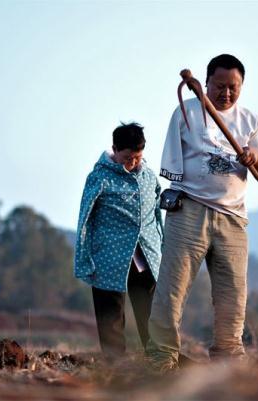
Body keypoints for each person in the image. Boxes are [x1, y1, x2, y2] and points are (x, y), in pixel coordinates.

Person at [147, 54, 258, 371]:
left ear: (242, 85)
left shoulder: (250, 121)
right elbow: (172, 165)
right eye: (219, 86)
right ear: (206, 83)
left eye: (233, 87)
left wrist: (253, 155)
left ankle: (228, 361)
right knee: (172, 289)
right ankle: (162, 358)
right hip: (190, 209)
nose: (226, 94)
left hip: (233, 219)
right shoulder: (187, 112)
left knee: (233, 297)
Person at [74, 122, 163, 358]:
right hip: (108, 256)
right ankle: (115, 365)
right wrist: (84, 259)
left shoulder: (149, 175)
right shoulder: (99, 177)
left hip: (144, 256)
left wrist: (161, 248)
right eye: (127, 158)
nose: (132, 163)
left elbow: (156, 215)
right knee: (110, 314)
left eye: (137, 157)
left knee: (150, 311)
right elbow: (85, 219)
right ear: (114, 149)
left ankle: (158, 359)